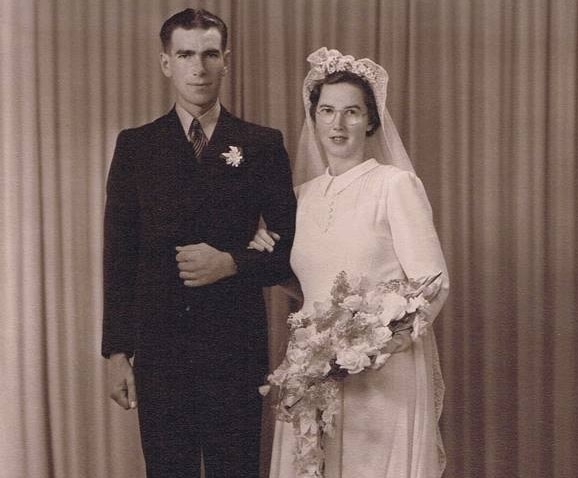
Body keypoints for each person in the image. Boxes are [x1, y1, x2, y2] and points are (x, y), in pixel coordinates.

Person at [101, 9, 296, 477]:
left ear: (226, 61)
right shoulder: (136, 146)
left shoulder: (261, 144)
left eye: (210, 54)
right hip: (160, 352)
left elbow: (290, 246)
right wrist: (116, 352)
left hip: (234, 349)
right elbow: (119, 256)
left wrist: (232, 263)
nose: (199, 67)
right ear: (167, 62)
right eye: (185, 54)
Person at [251, 48, 449, 477]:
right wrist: (264, 249)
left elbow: (432, 282)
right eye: (327, 111)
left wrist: (376, 343)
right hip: (312, 367)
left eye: (352, 112)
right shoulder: (300, 197)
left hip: (380, 373)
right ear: (314, 117)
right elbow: (308, 282)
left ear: (371, 121)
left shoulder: (394, 186)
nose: (338, 124)